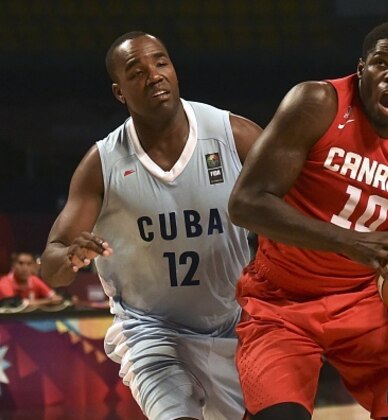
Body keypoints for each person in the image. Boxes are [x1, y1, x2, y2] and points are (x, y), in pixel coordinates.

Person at [228, 22, 388, 419]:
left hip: (368, 305)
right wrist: (347, 241)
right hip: (282, 301)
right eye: (380, 63)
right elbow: (245, 203)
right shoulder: (317, 104)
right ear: (361, 69)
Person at [40, 31, 261, 420]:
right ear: (119, 92)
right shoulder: (102, 163)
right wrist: (69, 256)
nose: (154, 75)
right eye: (136, 71)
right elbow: (51, 265)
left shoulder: (232, 134)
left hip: (234, 326)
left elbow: (295, 203)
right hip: (153, 333)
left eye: (161, 63)